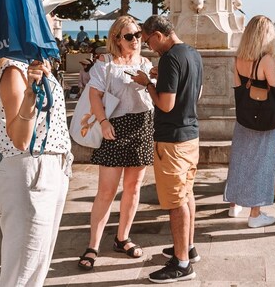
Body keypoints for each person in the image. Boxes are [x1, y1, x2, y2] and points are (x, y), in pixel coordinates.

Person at [0, 56, 72, 286]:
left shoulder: (33, 65)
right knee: (22, 271)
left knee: (36, 266)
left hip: (52, 168)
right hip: (32, 169)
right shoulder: (13, 70)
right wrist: (31, 93)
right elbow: (21, 139)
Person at [77, 16, 154, 271]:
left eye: (138, 35)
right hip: (114, 127)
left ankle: (123, 238)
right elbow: (94, 95)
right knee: (106, 190)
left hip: (142, 126)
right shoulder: (106, 64)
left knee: (133, 188)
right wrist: (102, 122)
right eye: (129, 36)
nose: (135, 40)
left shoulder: (146, 63)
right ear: (117, 39)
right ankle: (93, 245)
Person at [133, 15, 203, 283]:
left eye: (148, 40)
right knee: (186, 194)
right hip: (191, 135)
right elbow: (195, 93)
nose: (149, 46)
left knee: (175, 203)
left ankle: (182, 264)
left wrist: (148, 84)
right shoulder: (192, 54)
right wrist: (162, 78)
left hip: (172, 140)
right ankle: (188, 248)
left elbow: (165, 105)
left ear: (159, 34)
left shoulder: (170, 58)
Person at [224, 15, 275, 227]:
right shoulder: (266, 60)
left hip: (244, 118)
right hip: (265, 119)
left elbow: (238, 90)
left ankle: (234, 204)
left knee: (240, 159)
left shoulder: (238, 59)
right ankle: (255, 214)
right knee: (261, 163)